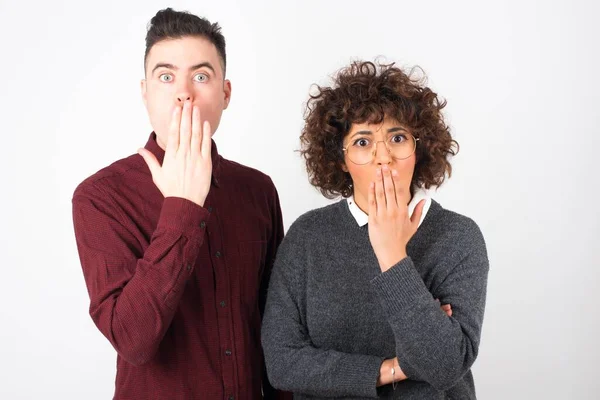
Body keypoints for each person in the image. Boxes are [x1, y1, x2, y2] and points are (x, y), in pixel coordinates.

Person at [72, 8, 288, 400]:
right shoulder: (100, 197)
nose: (184, 91)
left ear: (225, 94)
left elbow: (277, 329)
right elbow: (132, 340)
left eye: (201, 76)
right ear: (145, 92)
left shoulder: (258, 190)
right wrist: (182, 207)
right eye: (166, 76)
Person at [261, 60, 489, 399]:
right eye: (363, 142)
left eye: (397, 138)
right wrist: (392, 369)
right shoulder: (307, 236)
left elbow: (444, 365)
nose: (383, 157)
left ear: (419, 149)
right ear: (340, 159)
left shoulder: (457, 236)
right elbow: (282, 362)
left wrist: (393, 256)